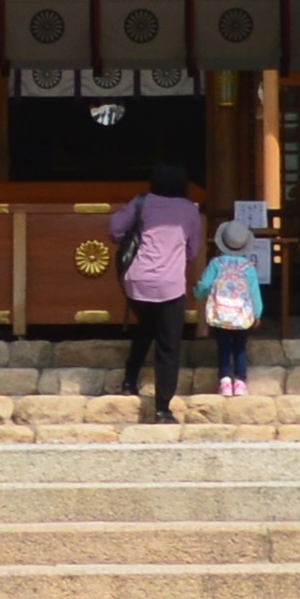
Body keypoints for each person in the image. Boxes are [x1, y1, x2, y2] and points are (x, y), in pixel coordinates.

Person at [113, 167, 207, 420]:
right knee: (168, 345)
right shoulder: (189, 210)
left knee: (146, 327)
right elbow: (193, 251)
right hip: (170, 285)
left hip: (137, 281)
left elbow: (114, 228)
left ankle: (129, 380)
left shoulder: (142, 201)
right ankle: (162, 408)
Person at [201, 197, 274, 397]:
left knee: (223, 345)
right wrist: (257, 313)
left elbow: (205, 284)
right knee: (240, 347)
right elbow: (254, 292)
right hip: (242, 314)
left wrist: (196, 293)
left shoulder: (216, 264)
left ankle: (224, 380)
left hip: (221, 312)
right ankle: (240, 381)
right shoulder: (247, 267)